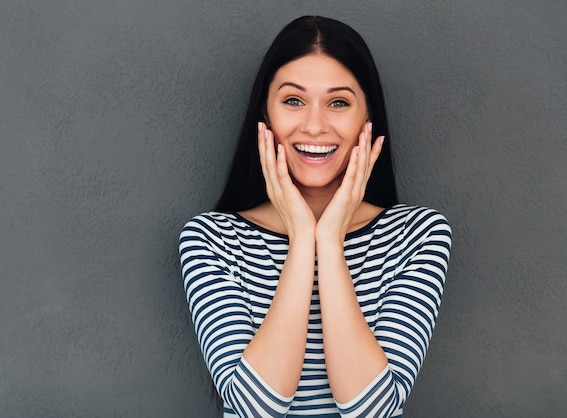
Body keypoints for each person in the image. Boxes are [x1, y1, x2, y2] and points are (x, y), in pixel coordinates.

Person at [179, 15, 451, 417]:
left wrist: (329, 242)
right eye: (293, 101)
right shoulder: (211, 239)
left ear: (366, 117)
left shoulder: (419, 235)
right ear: (266, 116)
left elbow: (372, 411)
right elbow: (256, 410)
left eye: (338, 102)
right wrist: (303, 238)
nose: (314, 125)